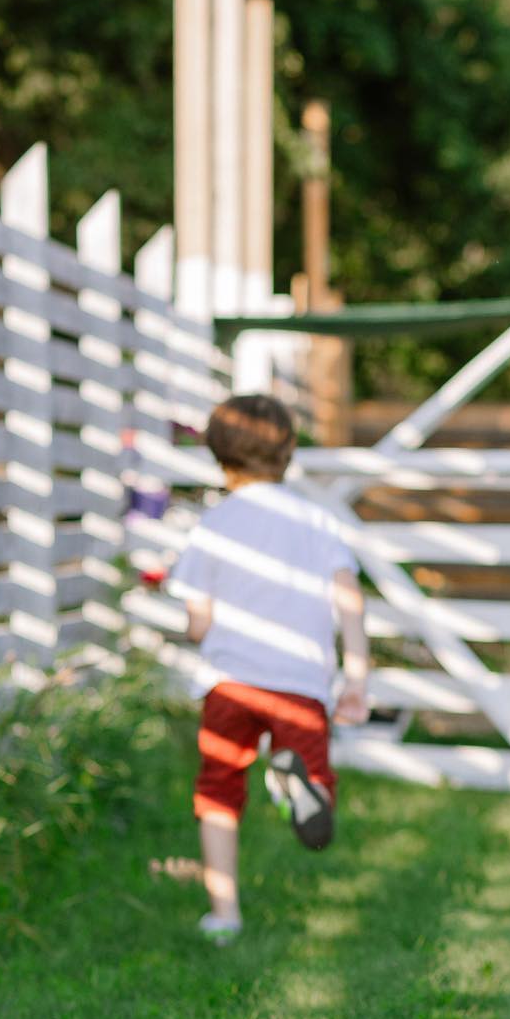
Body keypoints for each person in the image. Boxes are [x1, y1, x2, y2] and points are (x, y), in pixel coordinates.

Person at [168, 394, 369, 940]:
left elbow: (199, 623)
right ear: (288, 452)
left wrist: (193, 629)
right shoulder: (314, 519)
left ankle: (224, 913)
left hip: (230, 682)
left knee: (219, 789)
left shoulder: (213, 523)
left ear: (219, 455)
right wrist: (356, 675)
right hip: (299, 683)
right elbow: (348, 597)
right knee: (316, 789)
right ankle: (300, 790)